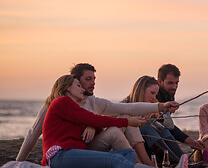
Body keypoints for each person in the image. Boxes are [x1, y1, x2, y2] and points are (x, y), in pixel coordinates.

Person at [16, 63, 178, 162]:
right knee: (125, 121)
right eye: (88, 79)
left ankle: (144, 165)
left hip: (92, 148)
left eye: (94, 79)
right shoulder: (54, 104)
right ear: (75, 81)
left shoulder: (95, 102)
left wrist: (161, 106)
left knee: (125, 116)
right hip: (68, 153)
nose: (93, 83)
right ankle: (142, 165)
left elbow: (127, 108)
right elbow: (33, 134)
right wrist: (19, 162)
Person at [41, 75, 188, 168]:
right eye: (78, 86)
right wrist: (127, 122)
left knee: (128, 153)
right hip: (59, 156)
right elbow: (93, 119)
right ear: (67, 88)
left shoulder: (75, 107)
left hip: (74, 153)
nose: (82, 89)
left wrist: (160, 106)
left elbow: (96, 121)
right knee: (114, 158)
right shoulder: (61, 102)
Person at [124, 76, 184, 165]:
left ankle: (181, 159)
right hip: (135, 147)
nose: (153, 97)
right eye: (152, 93)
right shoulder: (125, 104)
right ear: (141, 90)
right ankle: (175, 162)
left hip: (152, 150)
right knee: (147, 128)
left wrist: (159, 115)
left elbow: (170, 126)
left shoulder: (154, 104)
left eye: (155, 94)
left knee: (163, 129)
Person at [156, 64, 205, 151]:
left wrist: (190, 141)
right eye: (170, 83)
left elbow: (168, 124)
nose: (174, 87)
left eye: (176, 83)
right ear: (160, 81)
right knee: (164, 131)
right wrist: (190, 141)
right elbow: (167, 126)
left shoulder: (169, 95)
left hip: (159, 131)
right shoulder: (154, 95)